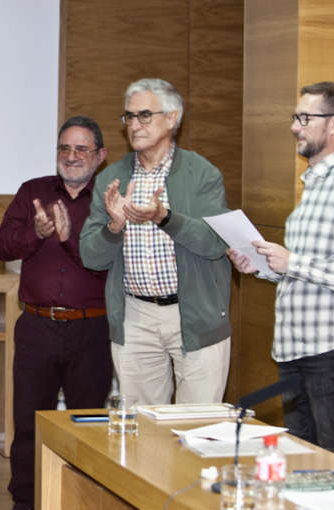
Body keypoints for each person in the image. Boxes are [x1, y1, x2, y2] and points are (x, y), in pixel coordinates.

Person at [228, 81, 334, 458]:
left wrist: (293, 261)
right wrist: (261, 267)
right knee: (300, 456)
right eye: (295, 117)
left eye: (304, 118)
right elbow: (302, 270)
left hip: (329, 349)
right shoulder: (313, 187)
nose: (294, 126)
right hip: (292, 347)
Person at [0, 115, 113, 510]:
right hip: (37, 326)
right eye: (64, 148)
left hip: (91, 331)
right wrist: (36, 234)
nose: (71, 157)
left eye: (81, 149)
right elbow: (3, 247)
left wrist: (68, 237)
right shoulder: (32, 192)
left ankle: (84, 505)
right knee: (28, 423)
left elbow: (107, 260)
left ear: (100, 155)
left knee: (88, 424)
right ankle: (25, 509)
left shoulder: (111, 199)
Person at [80, 78, 231, 406]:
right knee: (143, 433)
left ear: (173, 118)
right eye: (129, 117)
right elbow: (91, 256)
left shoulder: (202, 174)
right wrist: (114, 227)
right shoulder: (111, 178)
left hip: (194, 314)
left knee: (198, 427)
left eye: (144, 115)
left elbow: (215, 244)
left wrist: (165, 217)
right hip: (135, 316)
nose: (135, 124)